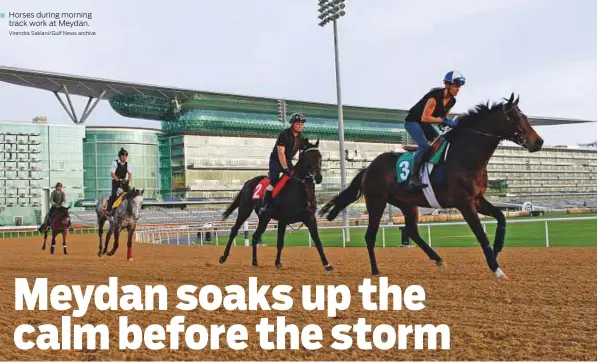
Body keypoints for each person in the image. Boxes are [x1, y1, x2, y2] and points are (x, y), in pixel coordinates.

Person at [403, 70, 465, 189]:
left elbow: (444, 117)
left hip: (424, 124)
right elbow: (425, 118)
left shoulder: (452, 101)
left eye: (459, 86)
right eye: (456, 85)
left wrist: (448, 122)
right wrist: (443, 121)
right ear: (447, 85)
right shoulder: (434, 97)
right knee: (425, 147)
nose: (458, 89)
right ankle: (413, 178)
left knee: (440, 143)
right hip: (413, 122)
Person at [259, 113, 307, 215]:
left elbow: (302, 154)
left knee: (295, 179)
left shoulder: (301, 138)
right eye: (298, 124)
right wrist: (285, 168)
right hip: (276, 160)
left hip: (288, 160)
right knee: (274, 180)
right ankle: (265, 205)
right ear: (292, 124)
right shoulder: (284, 134)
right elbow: (281, 153)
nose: (300, 126)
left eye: (302, 125)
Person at [106, 148, 133, 216]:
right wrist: (118, 180)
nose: (125, 157)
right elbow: (112, 174)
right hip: (116, 181)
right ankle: (109, 209)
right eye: (123, 156)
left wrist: (127, 181)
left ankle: (131, 209)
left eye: (126, 156)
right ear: (120, 156)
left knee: (131, 193)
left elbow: (130, 174)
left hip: (124, 182)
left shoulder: (127, 164)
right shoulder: (115, 163)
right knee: (114, 195)